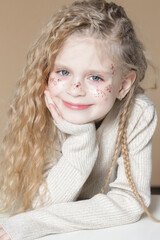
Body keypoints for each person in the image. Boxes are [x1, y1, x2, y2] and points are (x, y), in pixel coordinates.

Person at [0, 0, 159, 239]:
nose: (75, 89)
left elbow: (129, 202)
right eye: (63, 72)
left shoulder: (138, 113)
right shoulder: (45, 109)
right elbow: (39, 202)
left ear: (123, 85)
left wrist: (32, 225)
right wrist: (81, 140)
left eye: (95, 77)